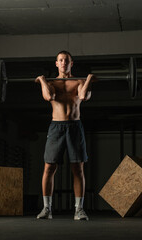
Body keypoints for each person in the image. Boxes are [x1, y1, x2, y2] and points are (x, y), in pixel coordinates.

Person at [35, 50, 95, 220]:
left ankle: (79, 210)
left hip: (75, 126)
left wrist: (89, 79)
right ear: (56, 63)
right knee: (49, 168)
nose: (63, 63)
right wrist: (41, 80)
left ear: (71, 63)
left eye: (66, 60)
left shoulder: (79, 81)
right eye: (60, 60)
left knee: (78, 168)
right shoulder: (51, 83)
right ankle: (47, 209)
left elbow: (83, 96)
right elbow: (49, 96)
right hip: (56, 127)